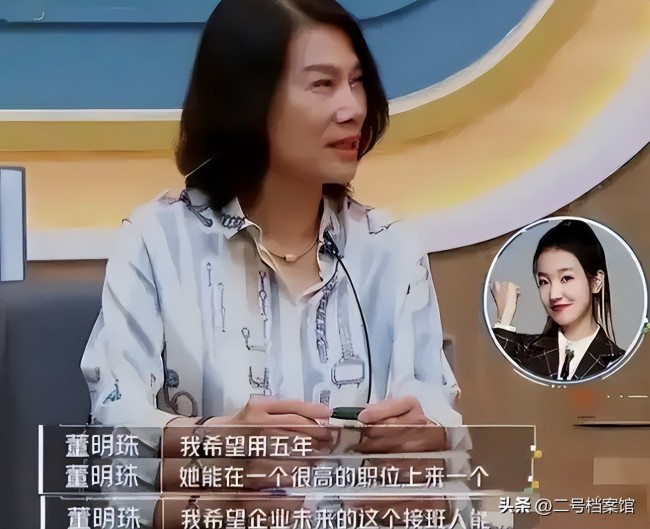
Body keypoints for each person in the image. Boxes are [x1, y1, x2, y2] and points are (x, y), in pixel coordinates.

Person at [81, 0, 461, 449]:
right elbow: (116, 430)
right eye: (323, 84)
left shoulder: (391, 249)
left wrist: (428, 441)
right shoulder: (157, 242)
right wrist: (221, 444)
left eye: (356, 81)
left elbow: (439, 414)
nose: (353, 108)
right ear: (248, 99)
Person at [490, 219, 625, 381]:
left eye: (566, 278)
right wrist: (504, 320)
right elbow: (491, 386)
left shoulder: (619, 363)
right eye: (544, 281)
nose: (553, 294)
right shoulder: (521, 349)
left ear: (596, 282)